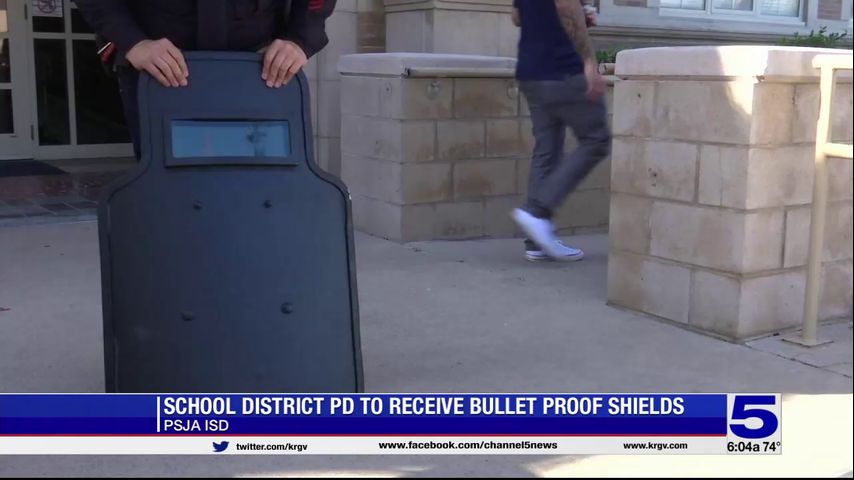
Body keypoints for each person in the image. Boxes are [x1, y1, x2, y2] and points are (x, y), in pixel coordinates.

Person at [76, 0, 336, 158]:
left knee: (261, 191)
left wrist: (300, 38)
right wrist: (132, 42)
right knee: (168, 194)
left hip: (260, 70)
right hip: (160, 71)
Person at [510, 0, 611, 262]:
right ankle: (538, 212)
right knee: (597, 140)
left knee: (547, 150)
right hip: (563, 69)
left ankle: (536, 242)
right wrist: (589, 62)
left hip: (531, 72)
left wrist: (568, 17)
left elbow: (517, 16)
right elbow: (566, 6)